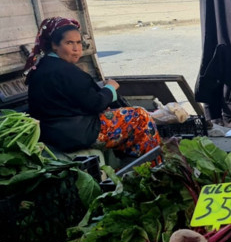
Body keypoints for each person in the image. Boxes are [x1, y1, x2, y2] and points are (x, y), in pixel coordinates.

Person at [24, 17, 161, 158]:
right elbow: (95, 104)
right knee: (140, 116)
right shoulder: (64, 71)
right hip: (75, 134)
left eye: (78, 43)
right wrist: (110, 88)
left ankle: (129, 163)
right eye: (69, 43)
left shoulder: (42, 67)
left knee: (120, 115)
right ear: (54, 45)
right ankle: (153, 167)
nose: (76, 49)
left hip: (54, 132)